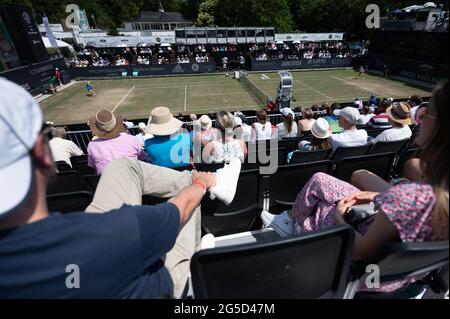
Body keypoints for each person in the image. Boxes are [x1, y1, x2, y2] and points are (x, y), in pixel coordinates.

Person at [0, 76, 243, 299]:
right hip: (165, 286)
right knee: (190, 196)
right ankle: (214, 190)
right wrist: (203, 181)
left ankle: (208, 181)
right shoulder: (117, 230)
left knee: (121, 166)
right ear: (43, 155)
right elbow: (179, 209)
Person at [261, 80, 449, 293]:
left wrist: (340, 217)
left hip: (363, 272)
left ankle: (295, 225)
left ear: (441, 128)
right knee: (323, 181)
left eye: (427, 113)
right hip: (398, 275)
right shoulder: (432, 194)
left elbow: (361, 250)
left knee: (323, 194)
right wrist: (380, 196)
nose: (420, 118)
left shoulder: (409, 199)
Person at [87, 110, 148, 174]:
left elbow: (93, 166)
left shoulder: (92, 145)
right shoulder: (131, 138)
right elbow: (143, 158)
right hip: (133, 178)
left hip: (106, 181)